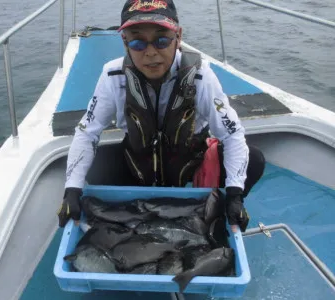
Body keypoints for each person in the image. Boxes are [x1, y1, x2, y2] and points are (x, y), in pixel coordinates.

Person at [58, 0, 265, 232]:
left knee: (254, 160)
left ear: (178, 37)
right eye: (137, 41)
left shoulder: (200, 76)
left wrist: (235, 194)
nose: (150, 52)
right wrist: (72, 189)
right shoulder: (113, 75)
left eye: (162, 40)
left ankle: (216, 209)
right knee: (95, 165)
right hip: (138, 164)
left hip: (190, 168)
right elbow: (87, 133)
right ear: (124, 41)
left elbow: (232, 133)